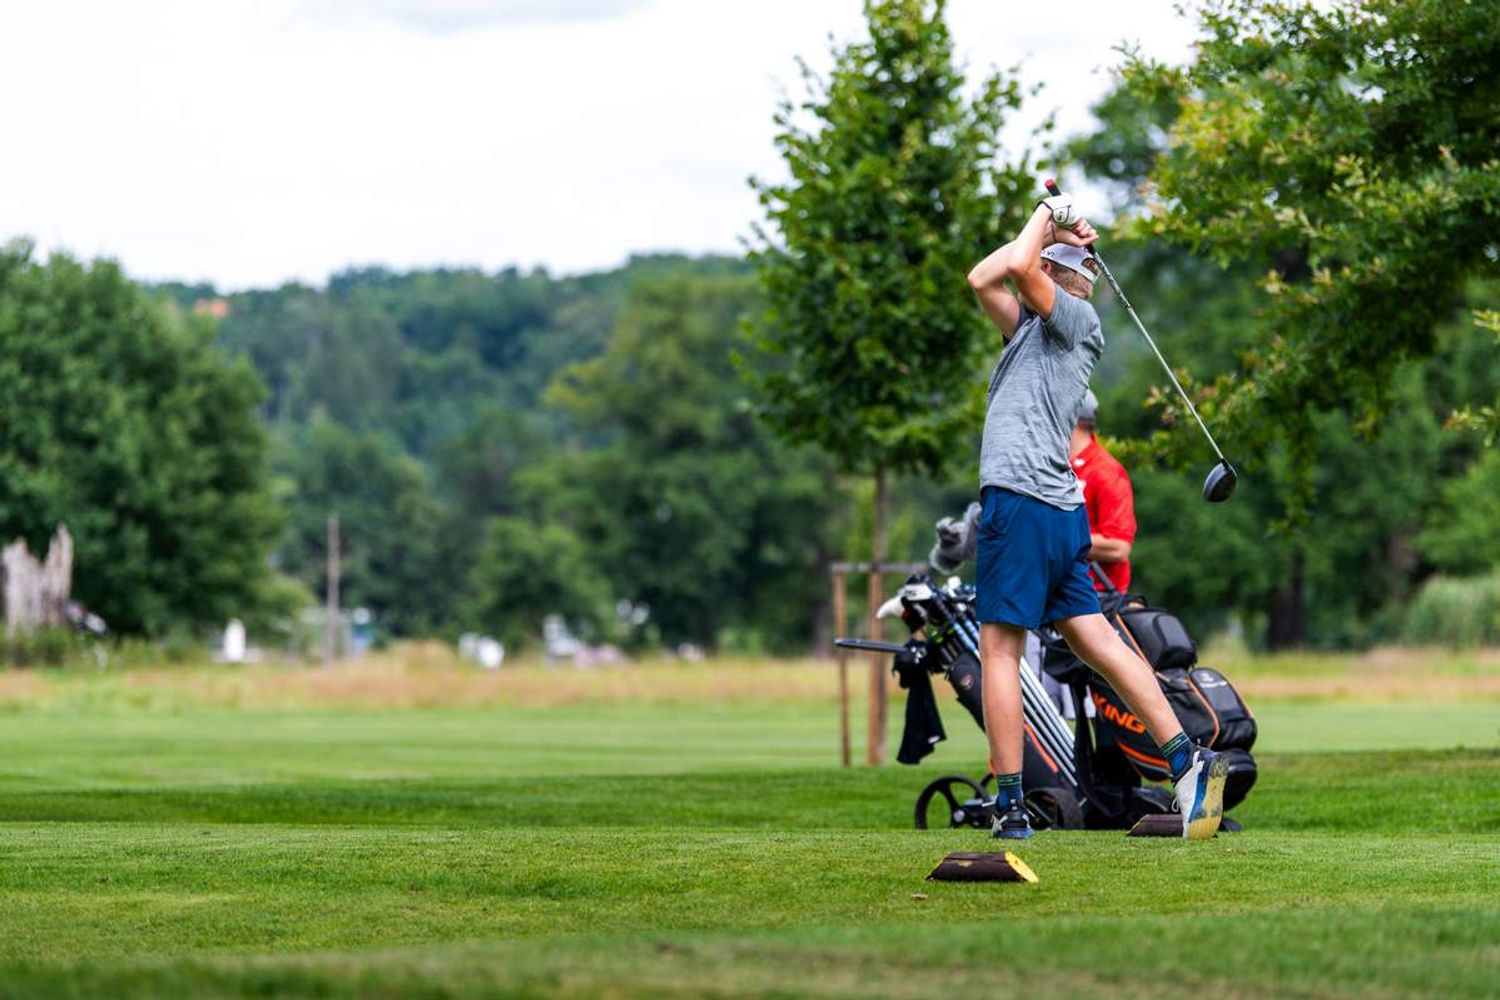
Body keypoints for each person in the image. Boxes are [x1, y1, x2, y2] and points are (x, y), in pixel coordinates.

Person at [965, 193, 1226, 840]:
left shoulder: (1075, 319)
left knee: (999, 650)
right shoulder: (1030, 330)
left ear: (1060, 278)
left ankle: (1010, 806)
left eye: (1048, 268)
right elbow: (982, 277)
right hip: (1055, 511)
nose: (1037, 271)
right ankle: (1187, 761)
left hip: (1022, 502)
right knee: (1097, 641)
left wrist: (1046, 214)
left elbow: (1018, 267)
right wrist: (1049, 224)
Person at [1072, 389, 1135, 594]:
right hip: (1059, 596)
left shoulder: (1105, 470)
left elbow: (1119, 547)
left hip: (1098, 598)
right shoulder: (1056, 468)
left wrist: (1055, 539)